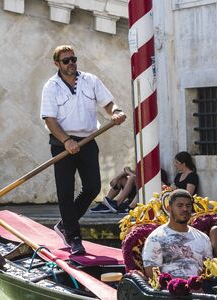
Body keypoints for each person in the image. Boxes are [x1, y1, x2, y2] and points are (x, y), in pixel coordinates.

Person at [40, 45, 126, 255]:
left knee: (92, 187)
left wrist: (115, 112)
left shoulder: (91, 80)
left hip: (88, 139)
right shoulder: (51, 87)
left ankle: (64, 225)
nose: (71, 63)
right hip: (62, 142)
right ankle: (73, 236)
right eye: (66, 60)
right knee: (65, 192)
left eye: (73, 59)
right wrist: (66, 140)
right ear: (57, 64)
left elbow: (108, 104)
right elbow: (49, 119)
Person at [142, 189, 212, 279]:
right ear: (169, 208)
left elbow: (210, 269)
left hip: (199, 288)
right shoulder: (155, 238)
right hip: (169, 290)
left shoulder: (203, 238)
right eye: (179, 206)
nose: (185, 209)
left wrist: (204, 275)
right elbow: (152, 274)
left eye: (188, 206)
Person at [89, 168, 170, 214]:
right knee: (122, 179)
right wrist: (119, 176)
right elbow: (112, 183)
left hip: (141, 196)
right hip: (133, 192)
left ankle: (117, 203)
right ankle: (106, 204)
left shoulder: (156, 174)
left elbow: (133, 176)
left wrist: (130, 173)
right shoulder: (138, 171)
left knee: (131, 178)